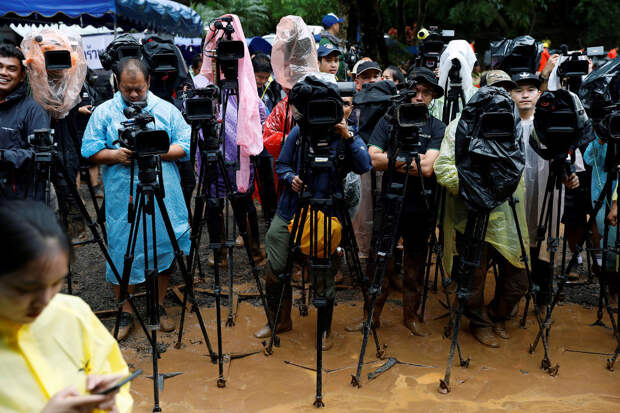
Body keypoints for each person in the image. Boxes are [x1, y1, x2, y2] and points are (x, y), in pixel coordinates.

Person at [255, 78, 372, 351]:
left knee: (323, 272)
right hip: (292, 208)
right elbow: (282, 163)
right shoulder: (300, 132)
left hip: (327, 210)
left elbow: (364, 165)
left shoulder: (345, 133)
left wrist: (348, 136)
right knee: (274, 265)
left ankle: (324, 330)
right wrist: (290, 177)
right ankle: (278, 322)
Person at [82, 58, 191, 340]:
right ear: (118, 84)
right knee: (122, 250)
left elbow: (186, 144)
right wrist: (114, 155)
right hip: (123, 194)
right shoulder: (105, 112)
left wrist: (155, 151)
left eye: (138, 89)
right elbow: (89, 149)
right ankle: (125, 310)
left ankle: (158, 306)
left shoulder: (166, 109)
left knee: (165, 244)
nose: (133, 94)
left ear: (148, 83)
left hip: (164, 191)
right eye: (127, 89)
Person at [0, 200, 132, 412]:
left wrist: (110, 402)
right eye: (25, 289)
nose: (45, 300)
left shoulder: (72, 313)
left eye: (56, 283)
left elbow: (114, 372)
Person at [347, 67, 446, 336]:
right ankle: (371, 317)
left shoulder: (437, 127)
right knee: (379, 262)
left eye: (426, 93)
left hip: (421, 205)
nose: (419, 97)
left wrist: (393, 162)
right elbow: (371, 159)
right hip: (389, 201)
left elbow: (429, 168)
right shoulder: (390, 119)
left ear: (433, 97)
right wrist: (410, 162)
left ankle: (411, 317)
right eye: (416, 90)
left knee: (415, 263)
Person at [434, 74, 530, 348]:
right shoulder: (459, 125)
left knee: (518, 278)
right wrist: (474, 191)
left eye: (505, 90)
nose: (500, 95)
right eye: (494, 90)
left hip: (508, 216)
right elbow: (444, 168)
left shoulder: (513, 125)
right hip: (471, 215)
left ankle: (498, 315)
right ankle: (479, 323)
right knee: (472, 277)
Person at [0, 43, 50, 200]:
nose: (3, 72)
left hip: (18, 200)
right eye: (0, 66)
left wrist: (3, 156)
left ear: (22, 76)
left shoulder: (33, 110)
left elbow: (41, 155)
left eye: (11, 69)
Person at [318, 13, 347, 80]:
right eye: (338, 23)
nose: (339, 26)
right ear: (334, 25)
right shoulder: (325, 41)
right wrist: (345, 54)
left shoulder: (332, 40)